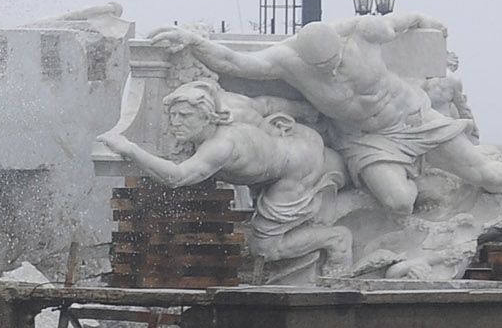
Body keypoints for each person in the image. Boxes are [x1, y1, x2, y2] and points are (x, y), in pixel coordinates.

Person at [150, 20, 502, 218]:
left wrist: (428, 23)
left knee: (486, 173)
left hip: (414, 117)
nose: (332, 71)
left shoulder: (363, 32)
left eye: (335, 62)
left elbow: (406, 19)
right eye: (322, 67)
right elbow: (233, 60)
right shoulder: (286, 59)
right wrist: (195, 41)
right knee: (399, 203)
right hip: (368, 140)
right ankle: (420, 183)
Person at [100, 80, 354, 283]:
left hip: (296, 169)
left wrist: (130, 149)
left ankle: (336, 240)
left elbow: (177, 177)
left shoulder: (220, 147)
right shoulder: (230, 106)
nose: (175, 124)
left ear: (207, 116)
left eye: (184, 116)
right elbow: (265, 104)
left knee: (265, 248)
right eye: (173, 115)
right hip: (297, 136)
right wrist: (307, 112)